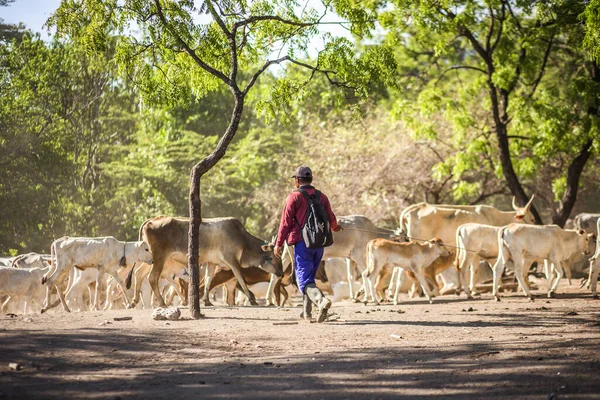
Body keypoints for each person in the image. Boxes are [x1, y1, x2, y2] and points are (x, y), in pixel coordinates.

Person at [274, 166, 342, 322]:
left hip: (301, 243)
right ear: (311, 179)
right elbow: (332, 219)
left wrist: (278, 243)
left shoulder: (294, 197)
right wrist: (336, 227)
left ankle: (321, 301)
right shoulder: (322, 196)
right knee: (309, 277)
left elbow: (285, 223)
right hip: (319, 243)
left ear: (297, 181)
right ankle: (307, 313)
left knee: (302, 280)